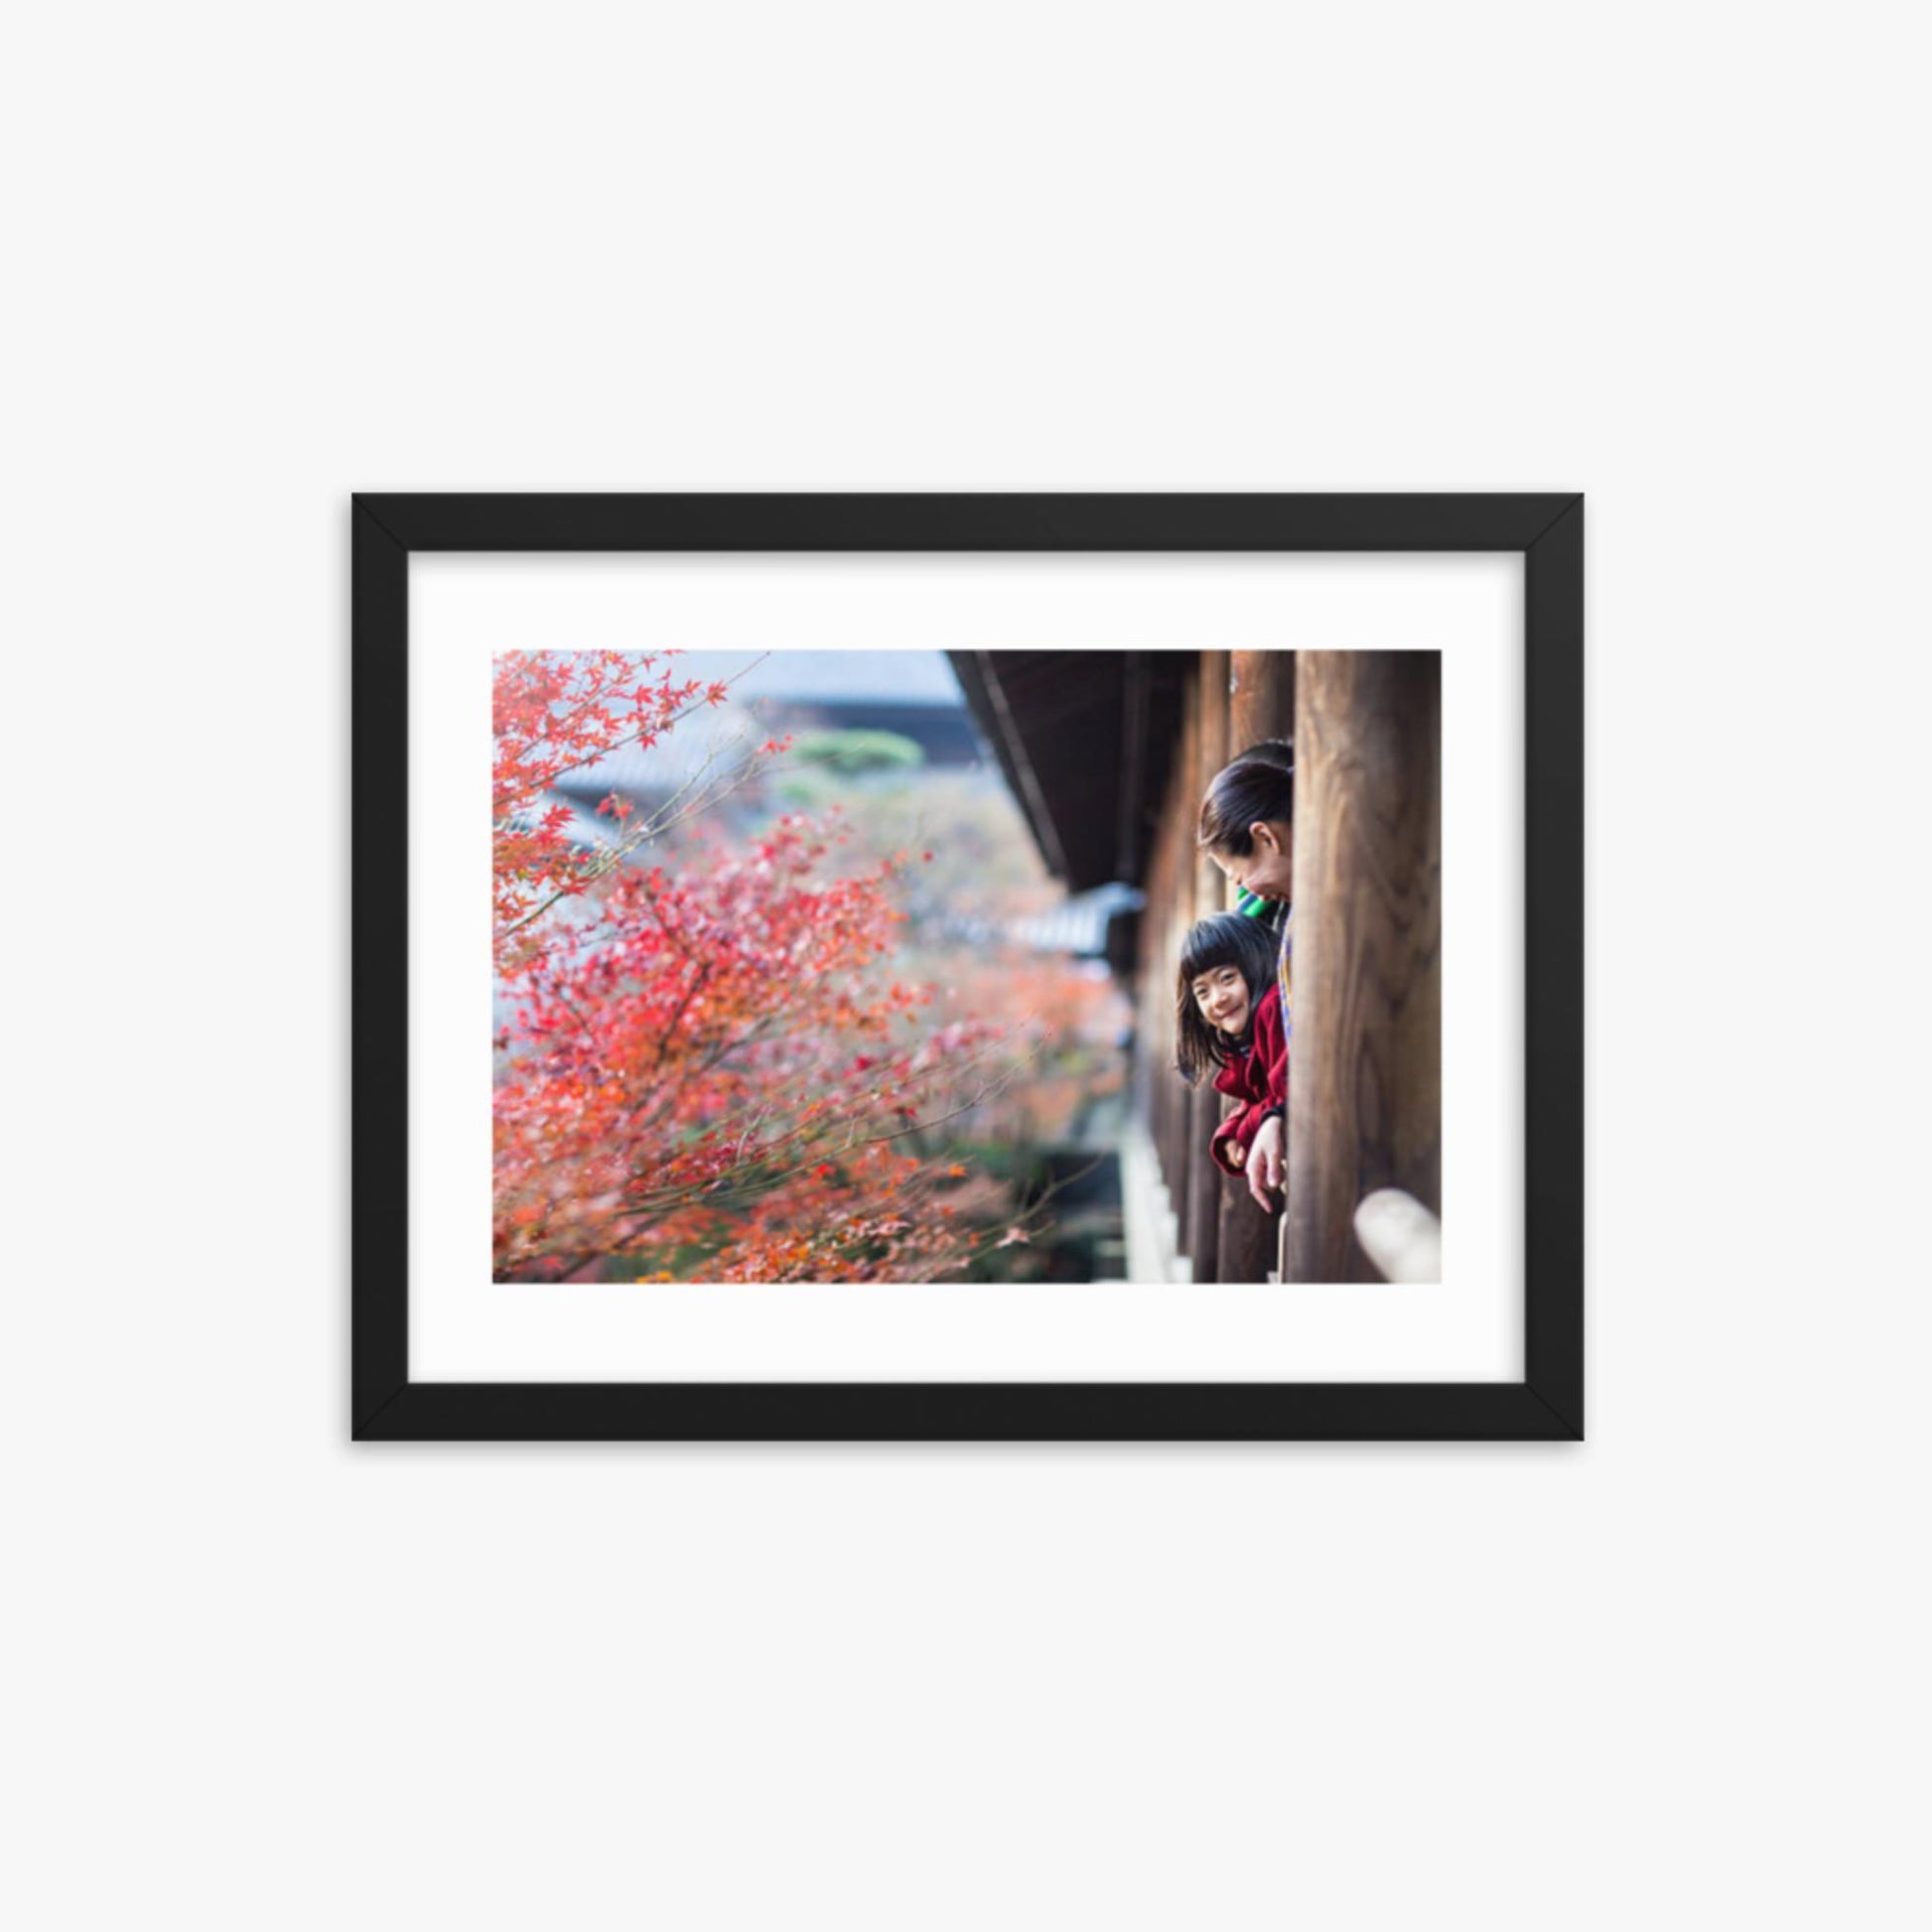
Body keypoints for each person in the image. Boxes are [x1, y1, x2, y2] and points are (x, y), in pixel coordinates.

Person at [1196, 750, 1294, 1210]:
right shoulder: (1284, 914)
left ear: (1266, 837)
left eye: (1241, 877)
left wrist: (1277, 1114)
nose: (1247, 895)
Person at [1174, 912, 1287, 1183]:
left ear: (1256, 964)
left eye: (1227, 978)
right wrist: (1231, 1133)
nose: (1218, 999)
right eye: (1202, 992)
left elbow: (1285, 1096)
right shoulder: (1238, 1042)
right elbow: (1260, 1099)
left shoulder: (1272, 1009)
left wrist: (1243, 1130)